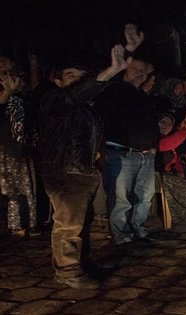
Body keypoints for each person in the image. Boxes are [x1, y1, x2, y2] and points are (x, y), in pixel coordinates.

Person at [38, 43, 129, 289]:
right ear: (57, 81)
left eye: (81, 77)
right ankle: (67, 271)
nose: (78, 81)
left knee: (82, 221)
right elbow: (74, 95)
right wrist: (110, 71)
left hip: (83, 171)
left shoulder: (85, 109)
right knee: (69, 224)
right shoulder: (52, 100)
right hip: (65, 171)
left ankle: (83, 262)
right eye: (71, 76)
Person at [94, 25, 160, 247]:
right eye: (135, 70)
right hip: (120, 154)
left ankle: (138, 230)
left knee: (144, 197)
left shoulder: (143, 96)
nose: (140, 74)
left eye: (144, 72)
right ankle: (121, 235)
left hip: (145, 155)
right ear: (124, 70)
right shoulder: (114, 90)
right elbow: (105, 79)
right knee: (120, 199)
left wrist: (153, 146)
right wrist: (129, 49)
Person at [0, 57, 39, 237]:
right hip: (7, 148)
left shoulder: (18, 88)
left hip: (22, 145)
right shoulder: (5, 91)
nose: (9, 69)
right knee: (13, 188)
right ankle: (16, 225)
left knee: (27, 186)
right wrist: (7, 92)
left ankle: (29, 222)